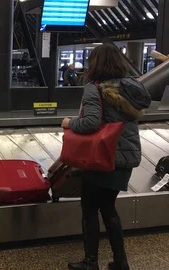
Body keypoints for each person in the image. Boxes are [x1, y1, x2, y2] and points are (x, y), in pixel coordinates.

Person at [61, 44, 151, 270]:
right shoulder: (132, 87)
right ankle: (120, 262)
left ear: (95, 64)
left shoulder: (95, 88)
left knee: (90, 208)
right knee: (109, 208)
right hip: (124, 158)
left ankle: (91, 262)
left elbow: (91, 123)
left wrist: (70, 122)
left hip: (102, 157)